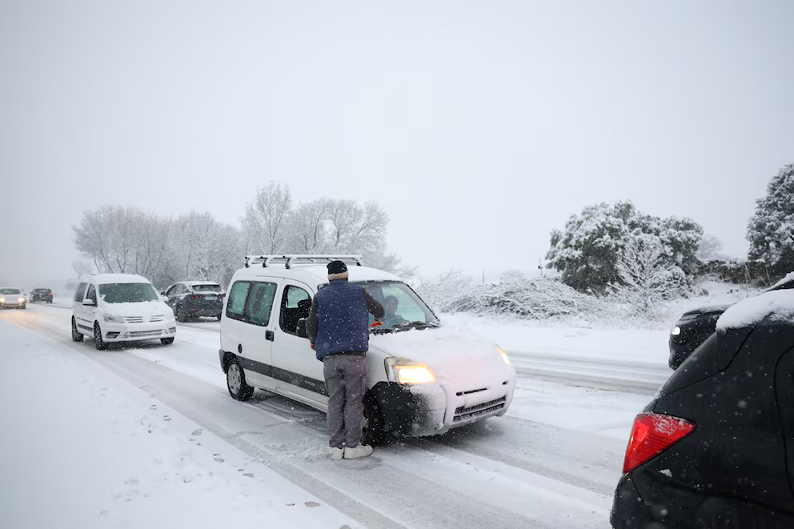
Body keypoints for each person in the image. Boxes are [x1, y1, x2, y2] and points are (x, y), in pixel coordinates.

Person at [306, 260, 384, 461]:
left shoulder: (320, 296)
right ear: (347, 276)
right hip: (354, 357)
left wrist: (314, 341)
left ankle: (336, 448)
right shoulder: (359, 292)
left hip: (330, 358)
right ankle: (352, 447)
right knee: (353, 402)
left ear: (329, 278)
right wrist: (379, 319)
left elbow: (311, 324)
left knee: (335, 401)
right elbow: (379, 310)